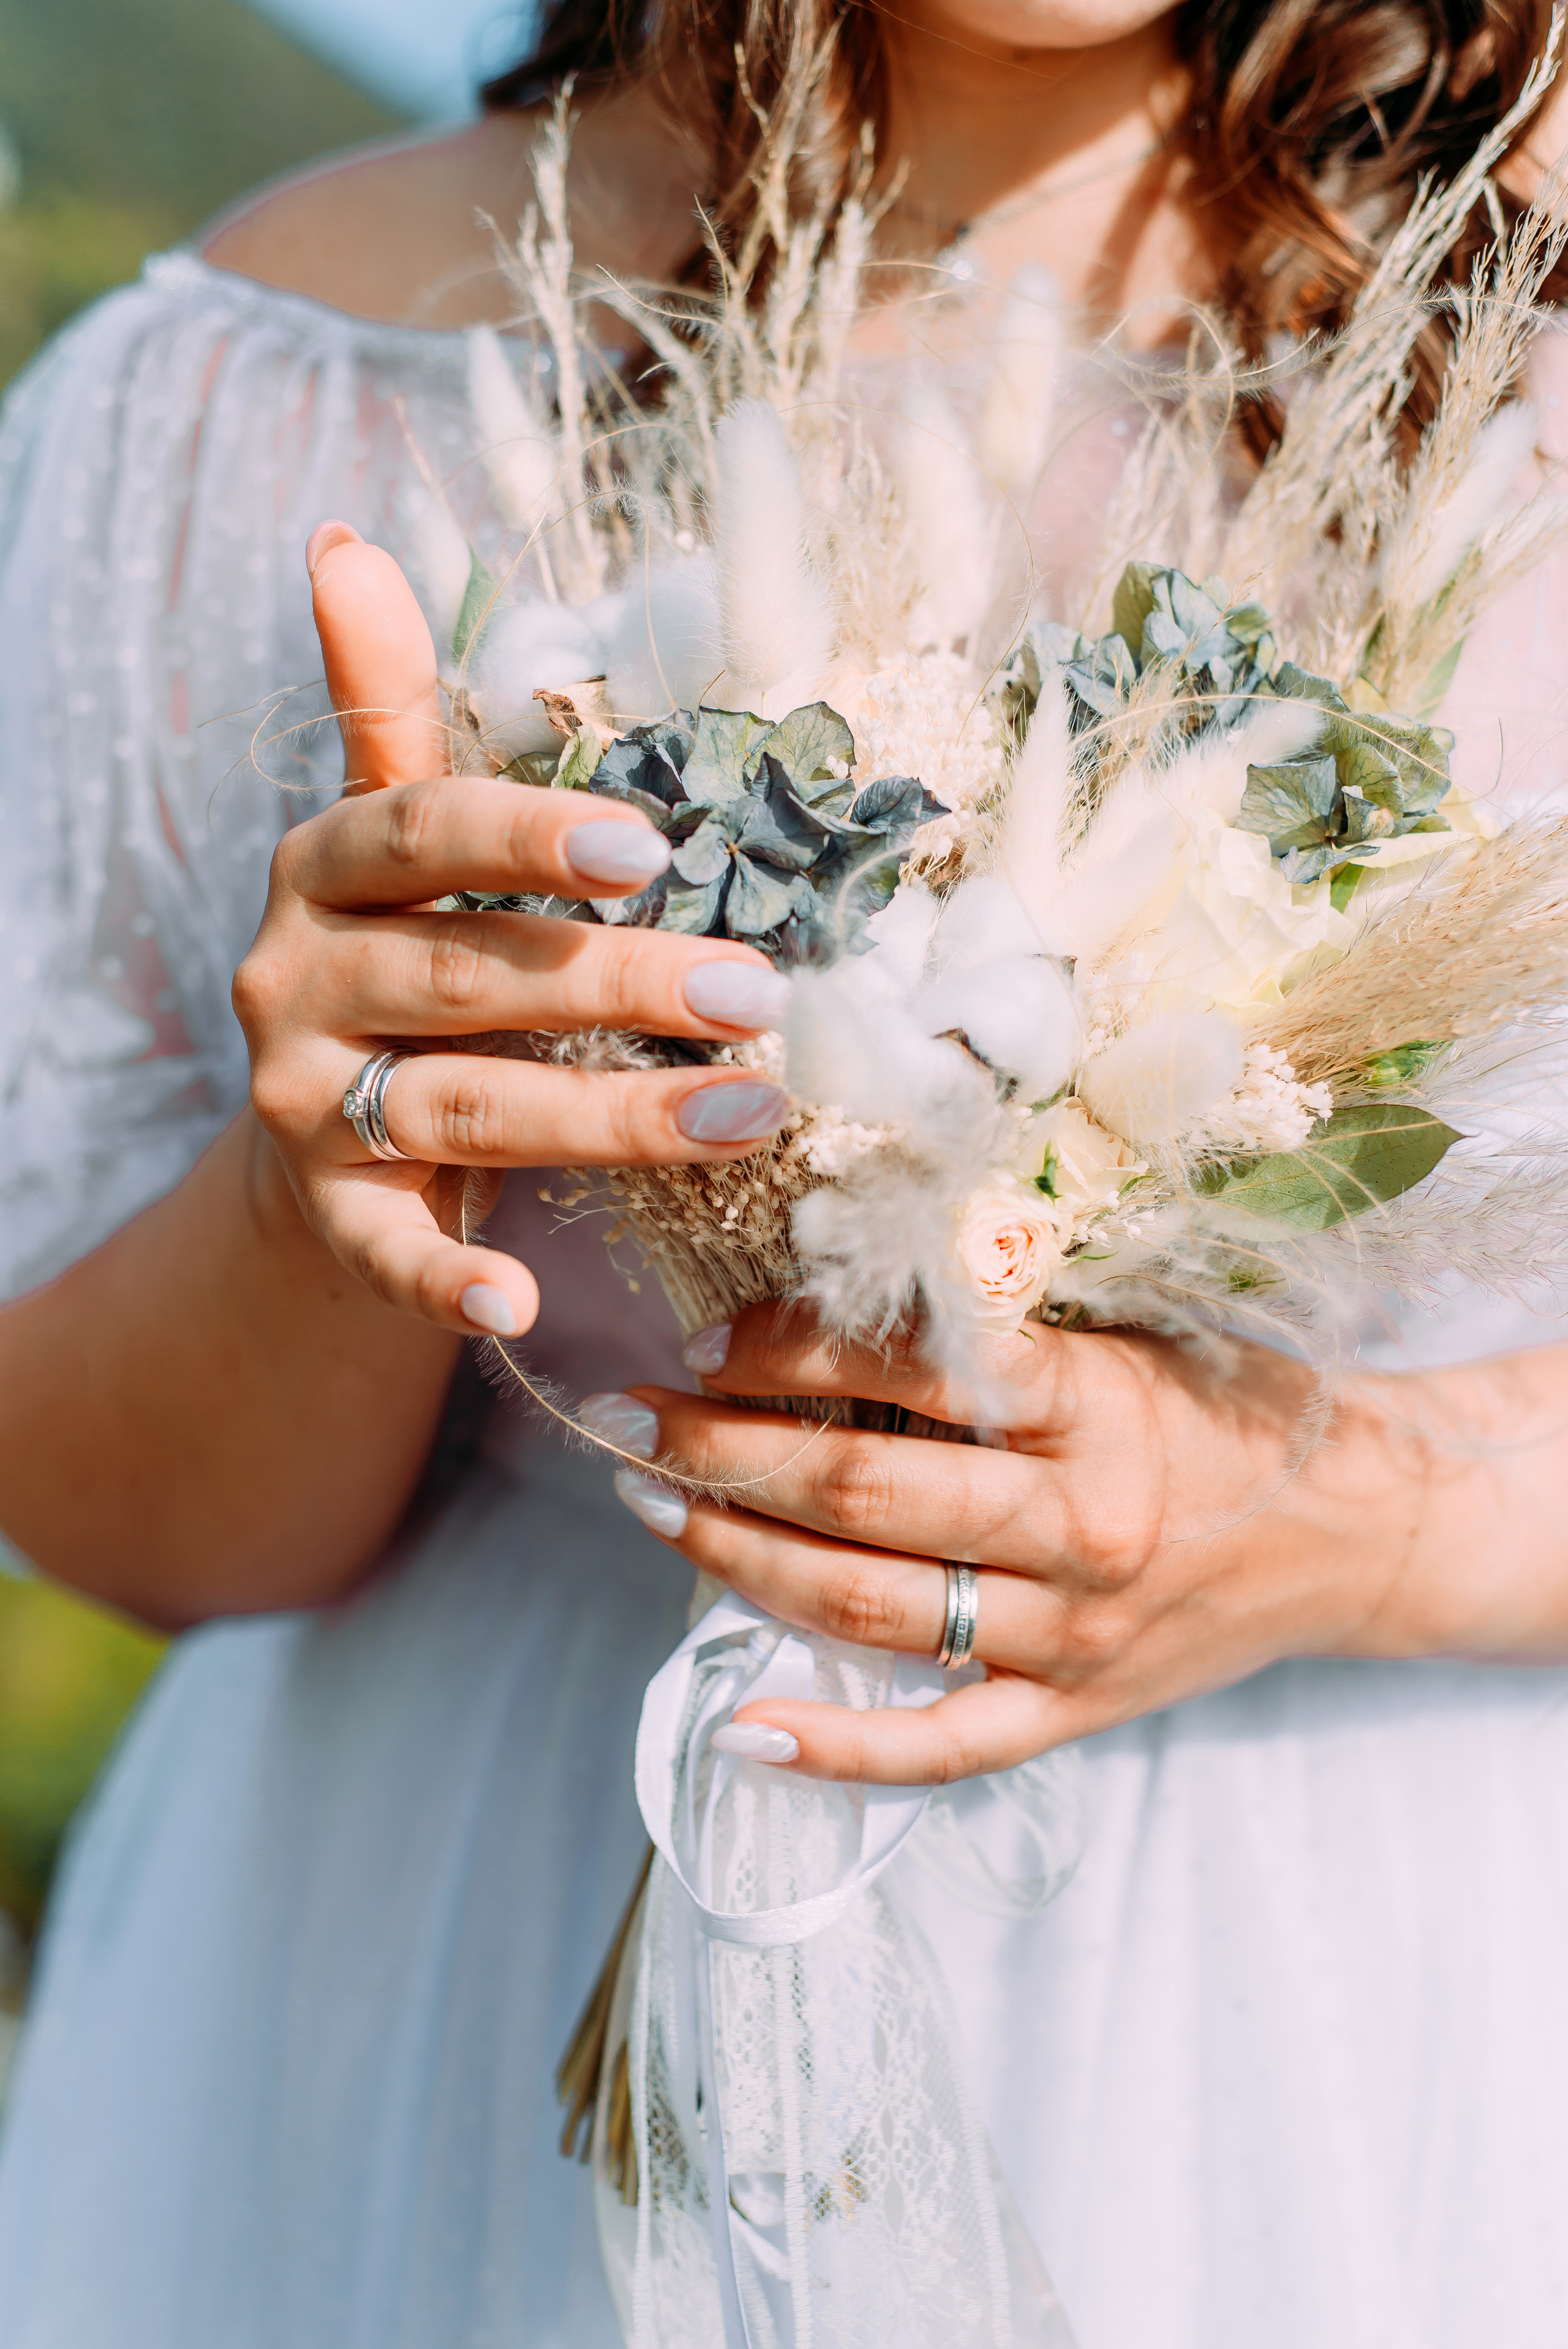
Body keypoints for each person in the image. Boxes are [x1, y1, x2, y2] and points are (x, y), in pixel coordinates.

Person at [3, 2, 1568, 2342]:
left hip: (1327, 2038)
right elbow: (108, 1506)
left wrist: (1343, 1513)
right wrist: (317, 1200)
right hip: (439, 2003)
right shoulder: (250, 394)